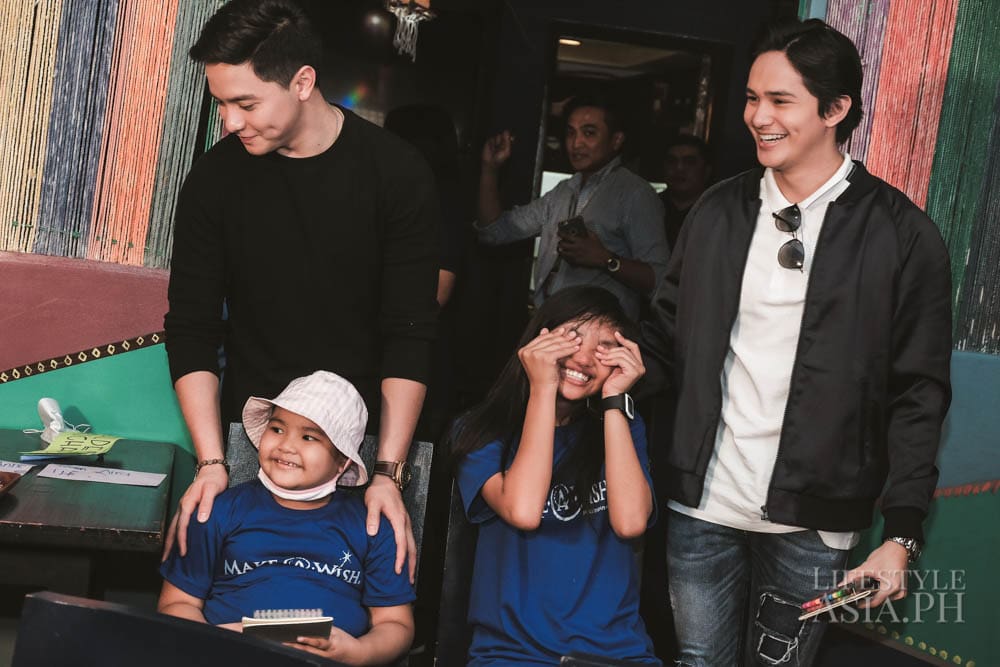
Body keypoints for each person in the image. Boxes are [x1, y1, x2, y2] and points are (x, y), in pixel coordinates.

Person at [641, 18, 952, 666]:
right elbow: (666, 338)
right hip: (703, 506)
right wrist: (618, 365)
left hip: (815, 520)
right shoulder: (717, 212)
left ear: (835, 109)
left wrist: (901, 533)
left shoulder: (902, 235)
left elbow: (918, 396)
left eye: (780, 100)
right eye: (752, 98)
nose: (759, 117)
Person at [162, 0, 440, 580]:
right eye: (220, 105)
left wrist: (388, 472)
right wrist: (212, 462)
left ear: (303, 82)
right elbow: (191, 326)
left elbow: (411, 331)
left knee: (364, 613)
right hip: (252, 437)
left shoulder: (397, 172)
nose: (230, 123)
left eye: (246, 104)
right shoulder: (215, 179)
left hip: (367, 446)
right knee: (231, 606)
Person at [451, 285, 661, 666]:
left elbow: (631, 523)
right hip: (514, 655)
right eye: (572, 338)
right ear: (539, 340)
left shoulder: (622, 429)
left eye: (603, 348)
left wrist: (615, 400)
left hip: (615, 656)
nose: (583, 358)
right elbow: (523, 510)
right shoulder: (483, 431)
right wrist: (542, 387)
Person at [159, 371, 415, 665]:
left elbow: (396, 624)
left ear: (342, 462)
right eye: (277, 429)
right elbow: (177, 603)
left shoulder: (373, 525)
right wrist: (213, 643)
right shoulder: (216, 510)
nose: (286, 445)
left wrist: (358, 653)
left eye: (308, 437)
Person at [476, 93, 670, 320]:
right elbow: (494, 232)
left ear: (616, 140)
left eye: (589, 133)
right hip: (551, 321)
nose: (576, 144)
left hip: (600, 333)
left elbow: (659, 280)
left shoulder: (635, 194)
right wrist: (490, 169)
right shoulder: (563, 192)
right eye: (570, 133)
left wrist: (605, 259)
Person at [659, 134, 712, 249]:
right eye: (672, 161)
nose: (679, 168)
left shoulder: (717, 212)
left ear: (706, 171)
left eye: (689, 162)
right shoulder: (650, 205)